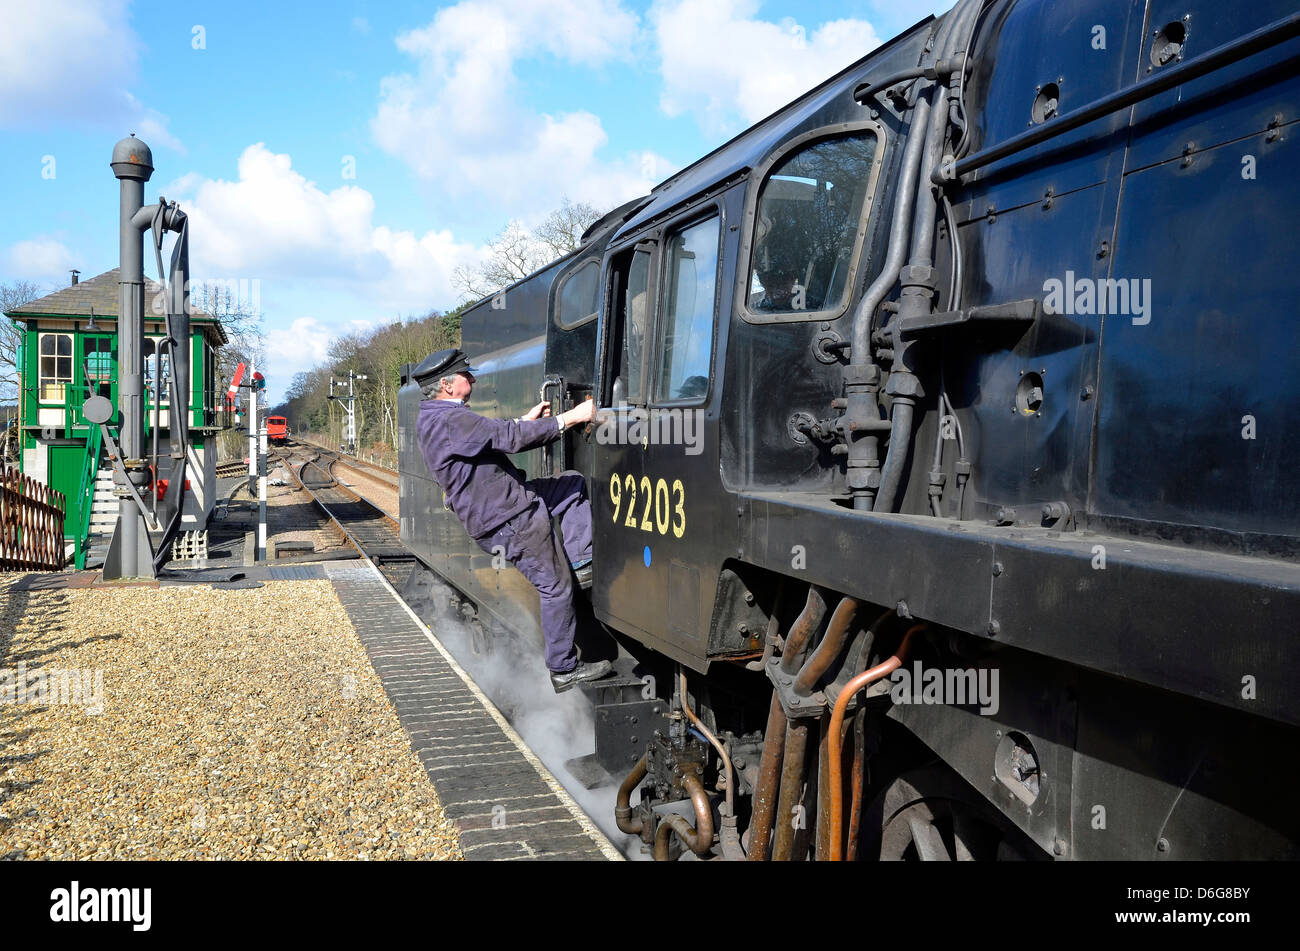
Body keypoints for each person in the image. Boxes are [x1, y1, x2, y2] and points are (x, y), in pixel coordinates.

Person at [413, 348, 611, 693]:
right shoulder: (450, 420)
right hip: (509, 518)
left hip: (509, 501)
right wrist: (575, 416)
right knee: (554, 586)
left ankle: (579, 562)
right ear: (446, 385)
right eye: (466, 375)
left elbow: (492, 436)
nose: (472, 378)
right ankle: (564, 668)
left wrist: (525, 420)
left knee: (572, 484)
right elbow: (509, 440)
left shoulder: (436, 417)